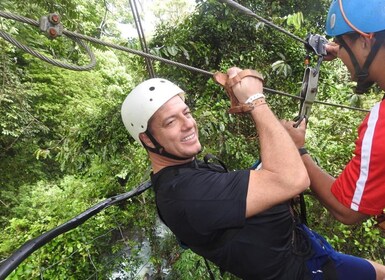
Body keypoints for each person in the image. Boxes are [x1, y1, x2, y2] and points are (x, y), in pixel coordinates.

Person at [121, 67, 385, 279]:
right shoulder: (186, 195)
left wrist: (287, 143)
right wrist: (256, 101)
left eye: (186, 112)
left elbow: (256, 180)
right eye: (170, 122)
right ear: (147, 139)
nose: (188, 124)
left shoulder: (187, 172)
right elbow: (291, 179)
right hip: (303, 271)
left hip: (309, 251)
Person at [282, 0, 385, 226]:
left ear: (367, 42)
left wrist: (298, 149)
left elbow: (347, 210)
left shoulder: (381, 128)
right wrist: (341, 49)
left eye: (340, 42)